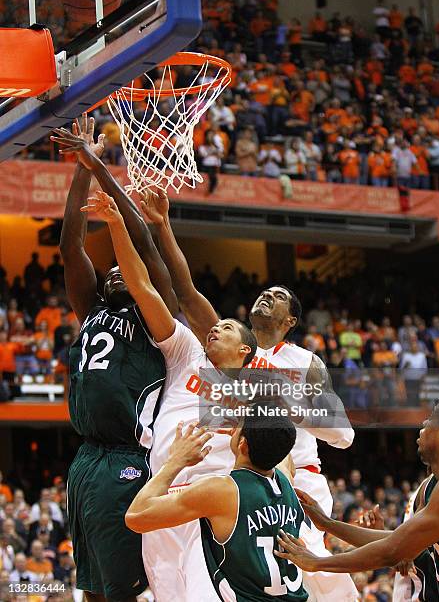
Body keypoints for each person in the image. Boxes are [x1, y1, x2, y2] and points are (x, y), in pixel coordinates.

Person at [138, 190, 357, 601]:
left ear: (290, 320)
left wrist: (281, 402)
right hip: (231, 482)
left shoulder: (303, 362)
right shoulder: (224, 345)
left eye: (278, 296)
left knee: (322, 581)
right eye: (264, 292)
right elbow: (185, 293)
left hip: (294, 480)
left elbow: (344, 436)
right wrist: (163, 227)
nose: (266, 295)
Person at [81, 190, 257, 602]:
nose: (215, 329)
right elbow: (147, 287)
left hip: (214, 503)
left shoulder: (256, 390)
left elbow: (275, 455)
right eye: (216, 326)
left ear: (246, 351)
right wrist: (120, 225)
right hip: (159, 497)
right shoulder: (186, 353)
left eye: (227, 328)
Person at [51, 114, 178, 602]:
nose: (117, 274)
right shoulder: (91, 309)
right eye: (110, 273)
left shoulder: (154, 315)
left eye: (127, 270)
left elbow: (144, 244)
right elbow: (70, 246)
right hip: (85, 459)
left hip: (128, 457)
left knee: (124, 590)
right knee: (90, 586)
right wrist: (82, 165)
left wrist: (98, 162)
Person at [274, 399, 439, 602]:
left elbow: (393, 550)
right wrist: (327, 523)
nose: (423, 424)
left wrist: (316, 562)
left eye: (429, 421)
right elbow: (397, 542)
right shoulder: (431, 487)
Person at [125, 413, 308, 601]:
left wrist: (176, 461)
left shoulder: (224, 491)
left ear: (243, 444)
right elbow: (283, 452)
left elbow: (137, 516)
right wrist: (246, 440)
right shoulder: (286, 481)